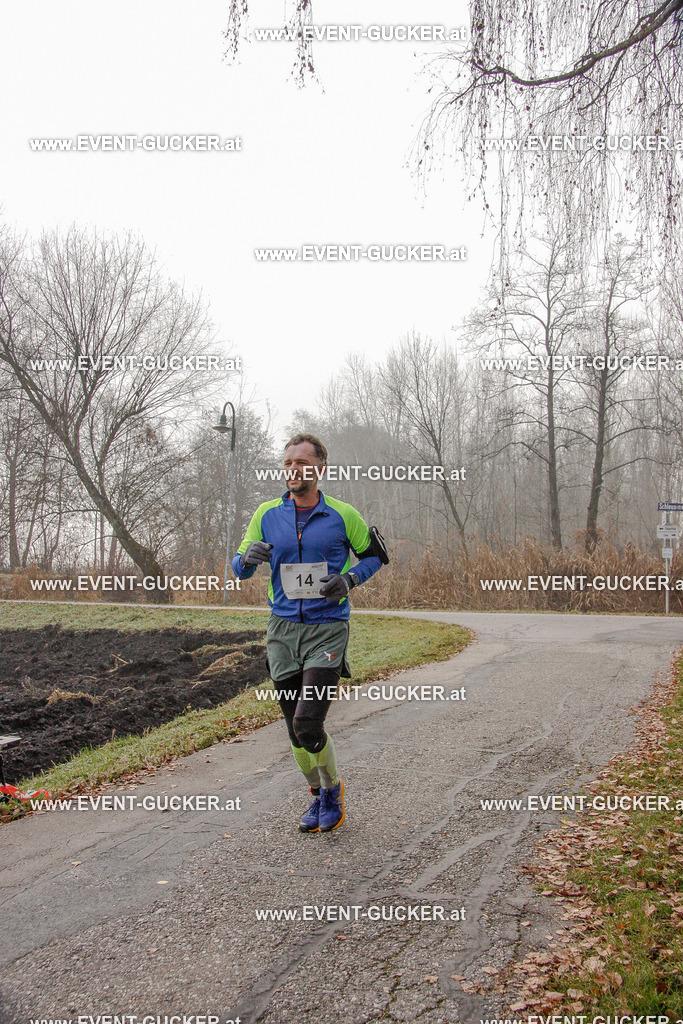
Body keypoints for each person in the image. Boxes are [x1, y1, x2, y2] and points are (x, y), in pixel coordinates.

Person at [232, 434, 384, 833]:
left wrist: (349, 579)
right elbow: (240, 564)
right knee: (292, 729)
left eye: (302, 462)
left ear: (320, 469)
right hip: (282, 630)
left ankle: (333, 790)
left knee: (307, 723)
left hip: (327, 629)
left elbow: (375, 557)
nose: (294, 470)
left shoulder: (341, 514)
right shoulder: (266, 514)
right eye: (288, 463)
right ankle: (316, 795)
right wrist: (245, 559)